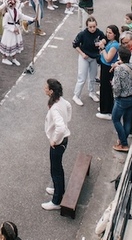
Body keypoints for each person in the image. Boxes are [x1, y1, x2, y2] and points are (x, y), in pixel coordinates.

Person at [43, 78, 72, 211]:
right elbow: (69, 107)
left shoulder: (55, 108)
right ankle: (57, 188)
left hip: (58, 143)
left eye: (46, 87)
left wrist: (54, 139)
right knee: (58, 168)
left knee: (56, 170)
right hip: (64, 139)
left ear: (51, 91)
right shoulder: (61, 101)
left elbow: (60, 127)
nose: (44, 88)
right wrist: (67, 121)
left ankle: (56, 200)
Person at [110, 48, 132, 153]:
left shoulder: (119, 70)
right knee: (128, 120)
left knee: (115, 119)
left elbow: (116, 87)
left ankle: (124, 143)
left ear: (120, 57)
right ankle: (122, 141)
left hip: (123, 99)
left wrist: (116, 96)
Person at [72, 16, 104, 107]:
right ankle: (76, 95)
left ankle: (92, 92)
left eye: (94, 26)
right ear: (87, 26)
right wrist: (82, 54)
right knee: (82, 77)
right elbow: (75, 45)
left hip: (94, 57)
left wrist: (102, 44)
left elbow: (104, 39)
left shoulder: (99, 33)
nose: (92, 28)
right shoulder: (82, 34)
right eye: (90, 27)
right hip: (84, 57)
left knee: (93, 77)